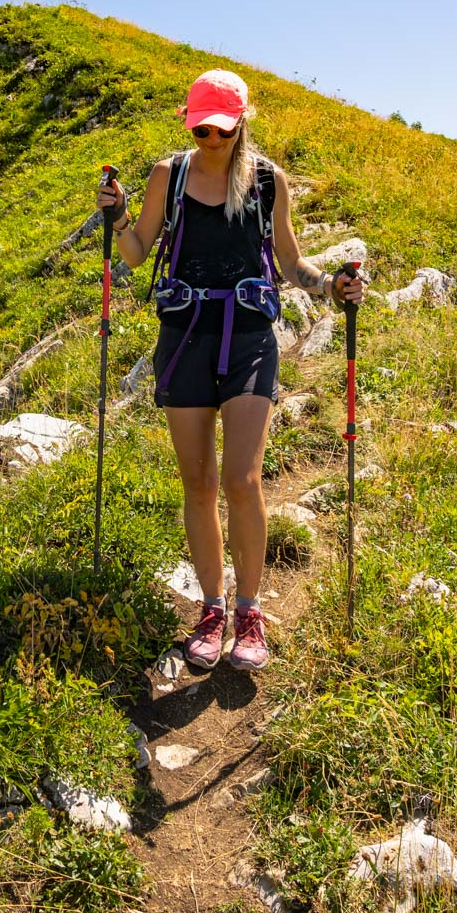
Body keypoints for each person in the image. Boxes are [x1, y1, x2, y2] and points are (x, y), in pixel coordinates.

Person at [97, 69, 364, 671]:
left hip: (247, 338)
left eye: (219, 128)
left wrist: (331, 287)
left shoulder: (268, 181)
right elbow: (138, 253)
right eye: (200, 128)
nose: (209, 138)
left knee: (242, 479)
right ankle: (211, 609)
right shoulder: (171, 173)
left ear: (241, 119)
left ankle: (250, 612)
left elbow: (290, 261)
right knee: (198, 482)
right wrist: (116, 219)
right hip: (185, 335)